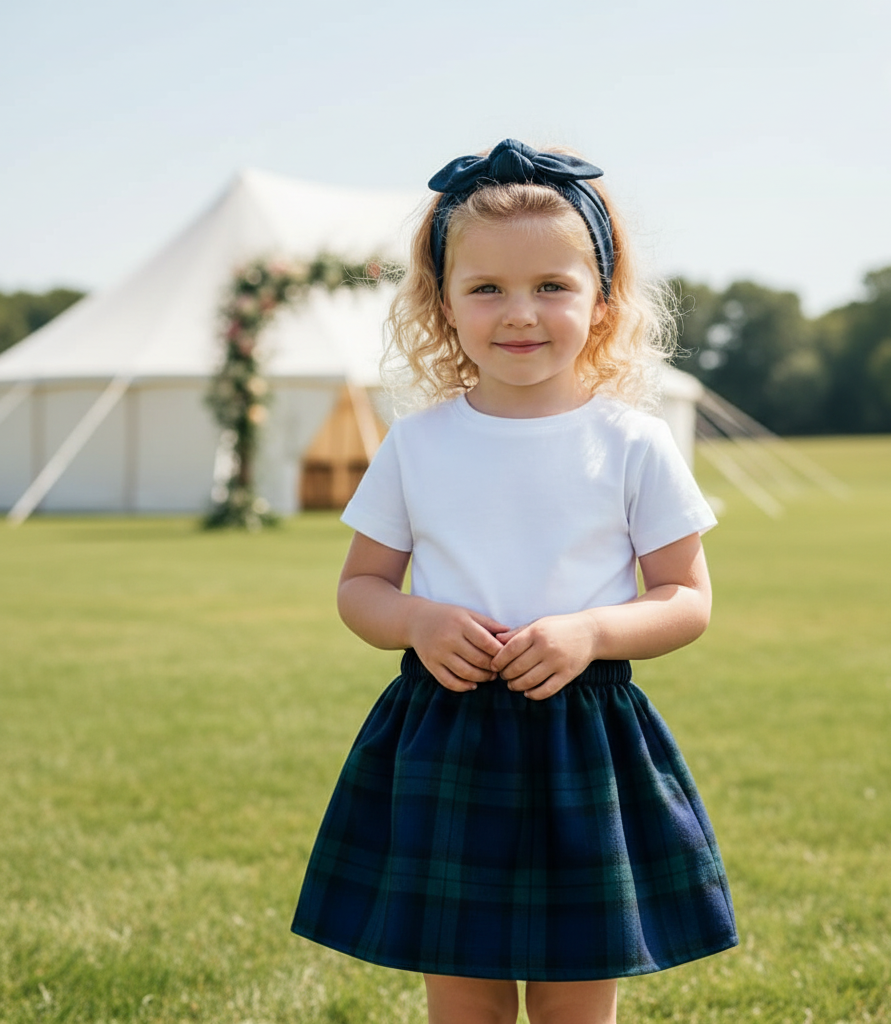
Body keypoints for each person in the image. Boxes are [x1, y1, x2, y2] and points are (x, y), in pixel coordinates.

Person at [291, 139, 738, 1024]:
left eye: (552, 286)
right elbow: (361, 588)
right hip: (447, 739)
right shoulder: (417, 444)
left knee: (574, 1005)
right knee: (467, 1005)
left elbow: (687, 599)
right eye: (487, 287)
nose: (520, 313)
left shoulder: (633, 442)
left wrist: (592, 632)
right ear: (443, 304)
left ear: (602, 300)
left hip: (584, 743)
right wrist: (416, 620)